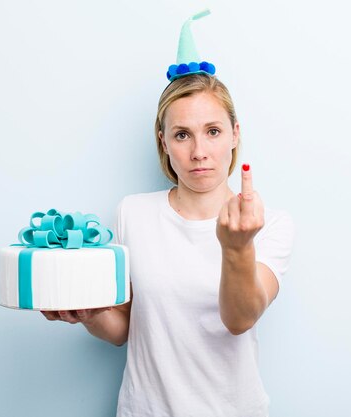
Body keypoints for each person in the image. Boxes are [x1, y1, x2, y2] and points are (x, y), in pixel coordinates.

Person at [41, 11, 294, 417]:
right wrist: (89, 315)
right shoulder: (132, 213)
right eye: (182, 135)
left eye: (213, 131)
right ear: (163, 141)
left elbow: (240, 319)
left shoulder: (269, 225)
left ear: (235, 134)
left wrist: (237, 247)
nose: (199, 152)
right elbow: (124, 328)